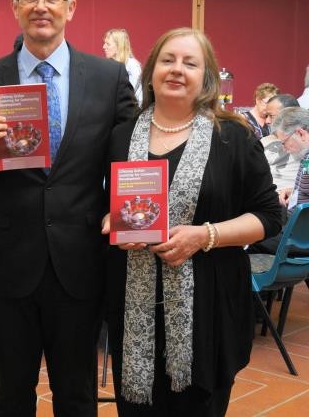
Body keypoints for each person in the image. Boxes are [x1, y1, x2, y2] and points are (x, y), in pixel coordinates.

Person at [0, 0, 136, 416]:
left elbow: (132, 156)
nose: (41, 6)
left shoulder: (109, 77)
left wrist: (128, 206)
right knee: (12, 395)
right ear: (14, 6)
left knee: (76, 396)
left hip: (80, 263)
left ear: (70, 7)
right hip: (9, 264)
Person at [101, 27, 282, 416]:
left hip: (209, 307)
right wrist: (113, 224)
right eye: (167, 60)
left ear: (207, 77)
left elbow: (269, 217)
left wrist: (205, 236)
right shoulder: (119, 136)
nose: (177, 70)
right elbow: (102, 206)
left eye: (190, 62)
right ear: (150, 72)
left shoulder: (233, 136)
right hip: (134, 310)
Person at [248, 106, 309, 256]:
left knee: (246, 241)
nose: (285, 148)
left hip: (300, 237)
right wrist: (294, 191)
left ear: (300, 133)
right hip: (295, 229)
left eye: (284, 142)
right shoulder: (305, 156)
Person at [261, 94, 301, 192]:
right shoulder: (265, 142)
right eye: (266, 116)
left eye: (271, 116)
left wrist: (294, 191)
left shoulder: (303, 142)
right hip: (265, 199)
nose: (267, 121)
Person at [103, 28, 143, 106]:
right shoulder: (109, 65)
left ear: (119, 47)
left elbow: (137, 97)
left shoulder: (132, 66)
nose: (104, 47)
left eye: (108, 44)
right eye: (104, 43)